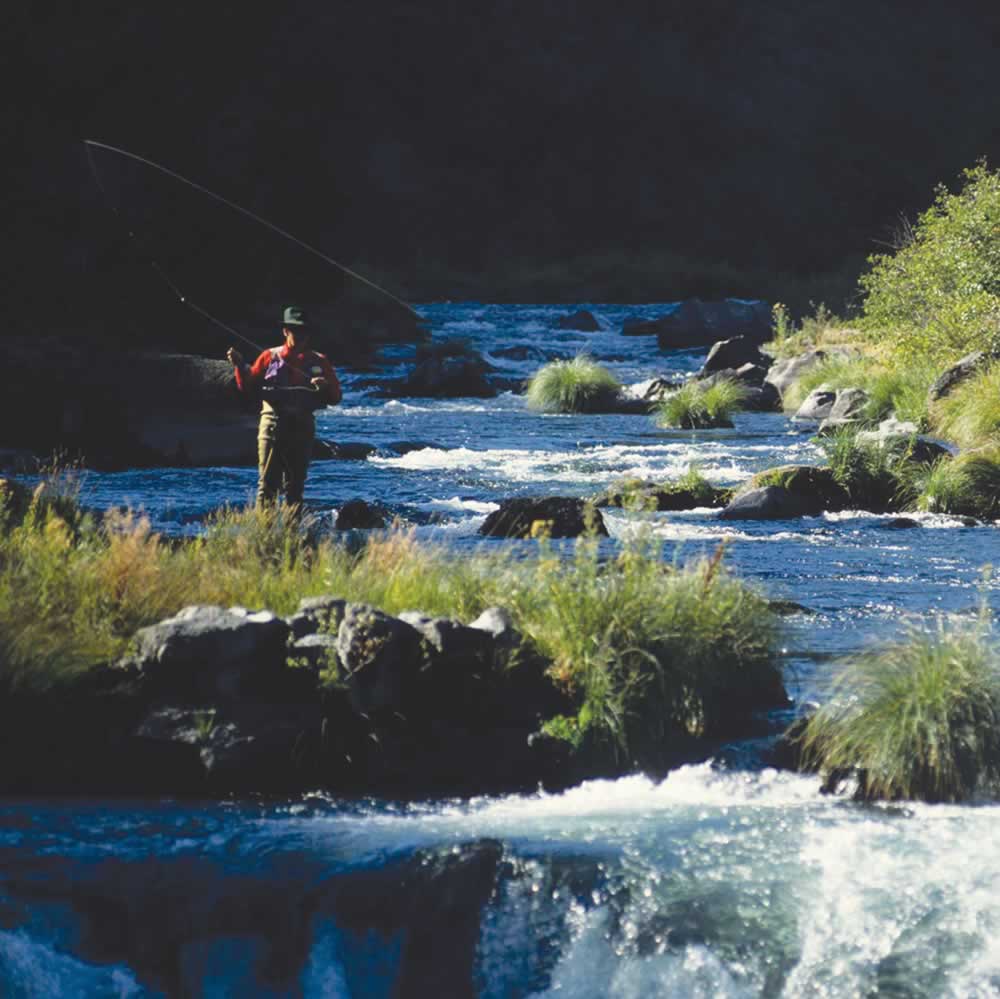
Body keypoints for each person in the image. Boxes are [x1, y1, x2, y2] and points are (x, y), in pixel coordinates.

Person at [227, 306, 342, 509]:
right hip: (272, 425)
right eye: (295, 330)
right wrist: (238, 365)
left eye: (304, 331)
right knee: (267, 486)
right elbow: (248, 388)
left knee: (295, 488)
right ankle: (265, 535)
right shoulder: (268, 357)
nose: (300, 335)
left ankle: (293, 535)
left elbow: (336, 398)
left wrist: (324, 388)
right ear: (285, 331)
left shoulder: (320, 361)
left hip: (302, 427)